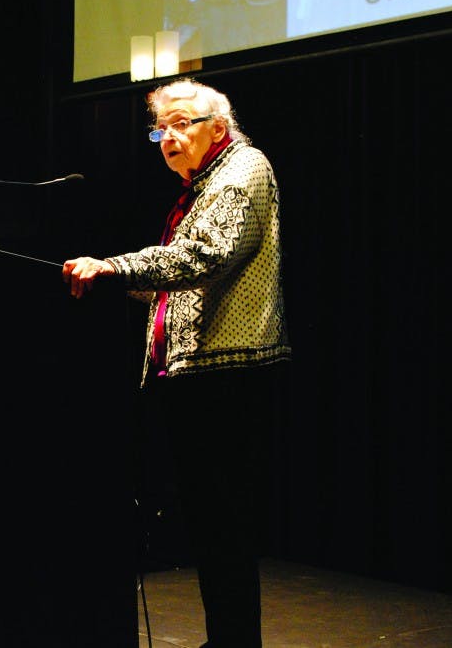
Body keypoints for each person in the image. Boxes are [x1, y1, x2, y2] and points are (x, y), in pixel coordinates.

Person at [62, 77, 291, 648]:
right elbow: (177, 285)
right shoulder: (203, 184)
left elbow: (203, 257)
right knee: (211, 530)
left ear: (218, 126)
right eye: (159, 127)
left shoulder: (242, 169)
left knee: (226, 531)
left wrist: (113, 267)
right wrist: (111, 281)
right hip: (197, 377)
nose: (167, 136)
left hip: (228, 374)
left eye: (181, 122)